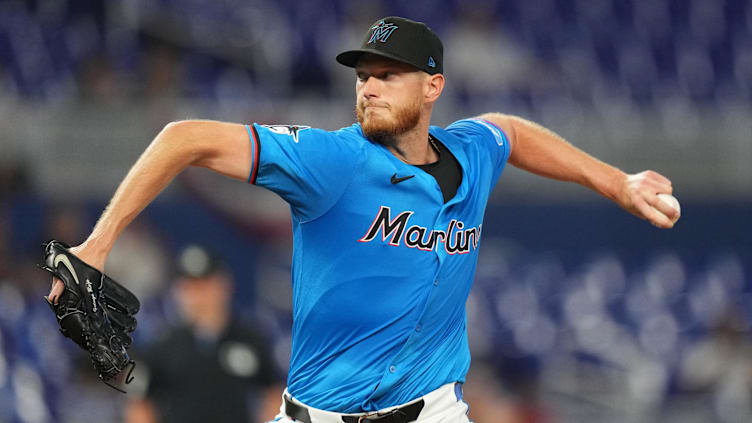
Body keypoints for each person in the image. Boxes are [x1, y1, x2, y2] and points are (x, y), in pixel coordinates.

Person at [49, 16, 679, 423]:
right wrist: (98, 246)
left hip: (433, 410)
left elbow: (509, 132)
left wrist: (617, 182)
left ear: (432, 87)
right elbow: (183, 137)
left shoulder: (471, 152)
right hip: (316, 415)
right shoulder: (330, 160)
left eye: (388, 75)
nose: (368, 87)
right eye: (363, 76)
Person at [124, 244, 282, 423]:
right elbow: (139, 403)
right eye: (189, 288)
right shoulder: (160, 346)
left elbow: (273, 393)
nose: (197, 297)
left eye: (204, 286)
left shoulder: (251, 339)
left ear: (224, 285)